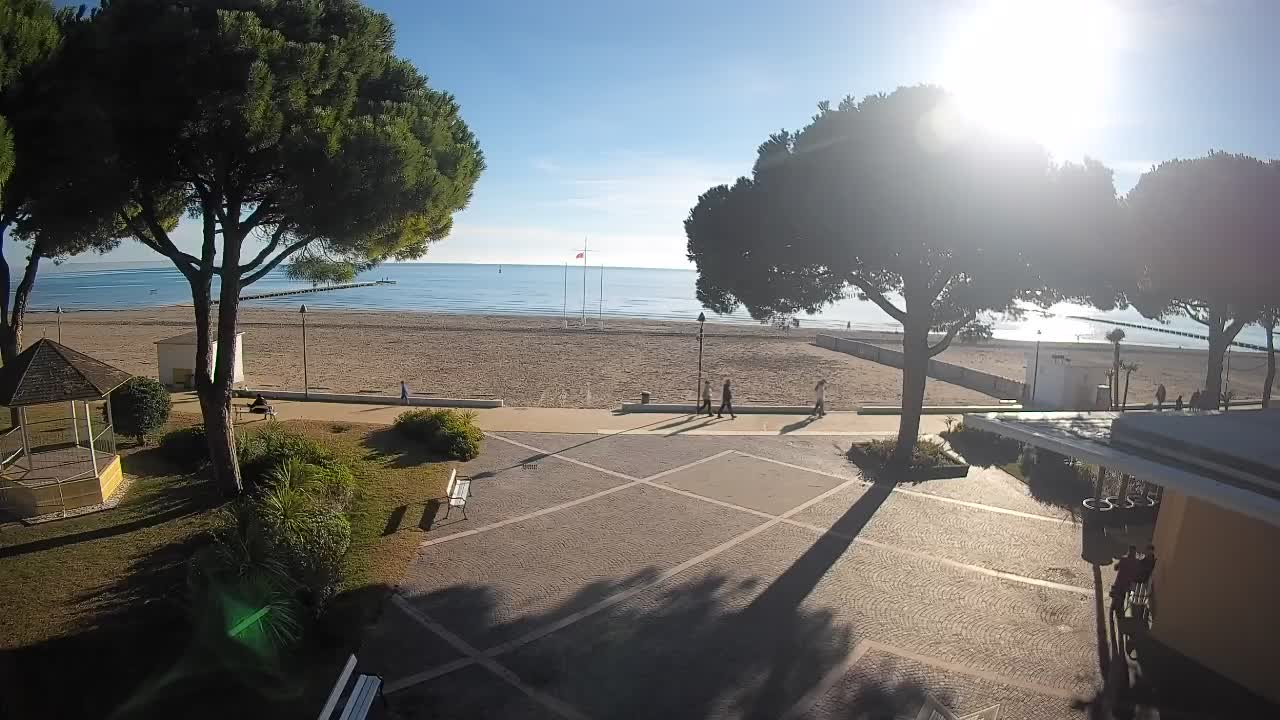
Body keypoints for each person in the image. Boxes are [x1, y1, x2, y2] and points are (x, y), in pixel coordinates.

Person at [1111, 545, 1140, 617]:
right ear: (1135, 553)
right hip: (1130, 585)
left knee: (1119, 595)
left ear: (1128, 552)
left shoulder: (1123, 560)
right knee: (1128, 597)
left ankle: (1118, 609)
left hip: (1120, 583)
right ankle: (1126, 610)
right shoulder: (1137, 562)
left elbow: (1115, 568)